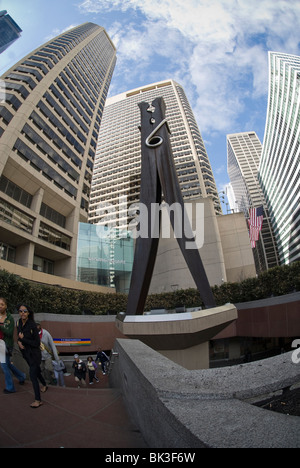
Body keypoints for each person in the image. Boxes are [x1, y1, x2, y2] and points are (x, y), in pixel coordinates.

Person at [17, 303, 47, 408]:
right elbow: (19, 335)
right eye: (20, 311)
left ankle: (38, 400)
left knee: (33, 375)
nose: (22, 313)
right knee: (36, 371)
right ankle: (44, 384)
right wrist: (19, 342)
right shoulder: (19, 322)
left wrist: (23, 339)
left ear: (28, 313)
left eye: (25, 311)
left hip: (34, 354)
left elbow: (36, 343)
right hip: (26, 353)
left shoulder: (33, 325)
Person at [0, 298, 26, 394]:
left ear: (6, 306)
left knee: (4, 366)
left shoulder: (9, 318)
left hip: (6, 345)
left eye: (2, 304)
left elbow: (9, 333)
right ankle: (21, 376)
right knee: (7, 364)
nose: (0, 306)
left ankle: (10, 387)